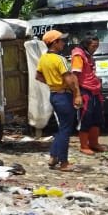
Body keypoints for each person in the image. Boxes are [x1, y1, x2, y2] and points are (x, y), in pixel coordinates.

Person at [36, 30, 81, 171]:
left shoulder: (43, 59)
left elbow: (38, 76)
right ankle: (64, 163)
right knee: (66, 130)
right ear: (54, 43)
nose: (63, 43)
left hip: (54, 95)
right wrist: (77, 94)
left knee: (62, 128)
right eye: (61, 40)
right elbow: (69, 79)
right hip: (64, 96)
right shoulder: (59, 59)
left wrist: (52, 83)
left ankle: (53, 157)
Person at [69, 34, 107, 154]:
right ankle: (84, 145)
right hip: (84, 90)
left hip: (94, 90)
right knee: (85, 118)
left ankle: (94, 143)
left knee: (97, 117)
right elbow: (75, 76)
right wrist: (78, 94)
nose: (95, 48)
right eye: (93, 46)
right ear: (86, 44)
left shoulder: (89, 56)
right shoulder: (78, 56)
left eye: (97, 46)